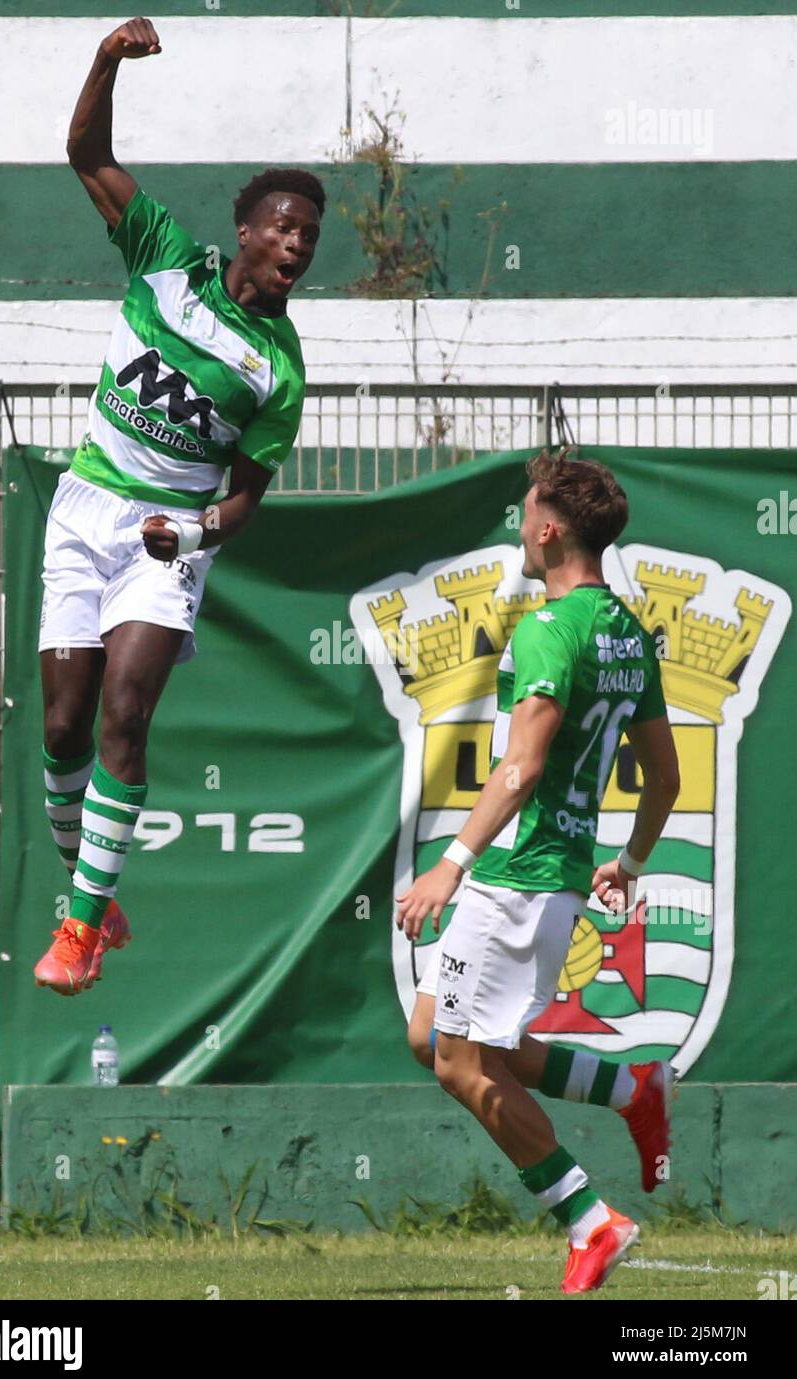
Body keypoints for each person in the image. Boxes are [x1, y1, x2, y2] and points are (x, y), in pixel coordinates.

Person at [34, 16, 325, 996]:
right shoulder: (162, 252)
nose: (295, 244)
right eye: (282, 228)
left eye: (308, 237)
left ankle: (76, 932)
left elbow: (244, 499)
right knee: (63, 728)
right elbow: (84, 152)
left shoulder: (278, 368)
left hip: (167, 544)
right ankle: (93, 889)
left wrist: (193, 532)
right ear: (245, 232)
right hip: (83, 511)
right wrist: (105, 61)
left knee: (124, 712)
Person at [396, 449, 681, 1294]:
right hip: (548, 874)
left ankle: (590, 1220)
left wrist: (450, 864)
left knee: (460, 1063)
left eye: (526, 514)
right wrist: (628, 862)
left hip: (517, 878)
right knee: (433, 1038)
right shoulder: (628, 632)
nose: (519, 526)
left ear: (550, 529)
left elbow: (519, 768)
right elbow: (664, 778)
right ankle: (633, 1086)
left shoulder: (549, 629)